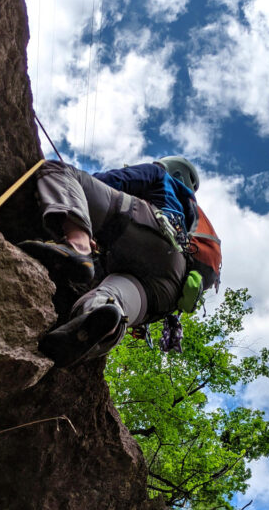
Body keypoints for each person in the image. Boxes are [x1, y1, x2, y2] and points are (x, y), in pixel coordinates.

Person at [20, 155, 217, 367]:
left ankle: (78, 246)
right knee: (113, 301)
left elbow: (113, 180)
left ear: (168, 167)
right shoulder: (191, 216)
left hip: (149, 232)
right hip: (168, 287)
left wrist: (83, 208)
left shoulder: (159, 174)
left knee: (58, 170)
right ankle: (95, 330)